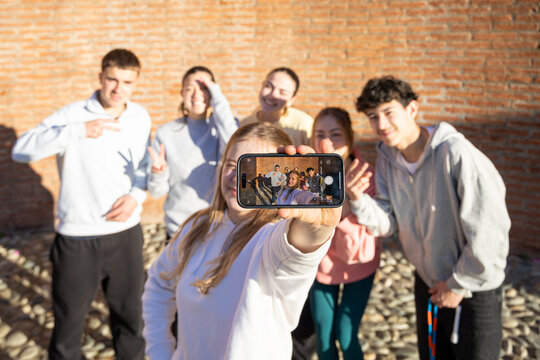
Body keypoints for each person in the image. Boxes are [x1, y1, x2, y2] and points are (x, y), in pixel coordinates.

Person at [141, 122, 341, 360]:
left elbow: (296, 252)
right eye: (231, 165)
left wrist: (317, 227)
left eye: (254, 168)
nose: (238, 176)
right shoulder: (196, 227)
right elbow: (158, 285)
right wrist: (161, 351)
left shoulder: (271, 237)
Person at [353, 76, 510, 360]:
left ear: (412, 110)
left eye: (389, 113)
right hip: (427, 283)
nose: (381, 125)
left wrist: (457, 284)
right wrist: (356, 199)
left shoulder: (456, 153)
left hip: (474, 291)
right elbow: (388, 223)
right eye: (373, 117)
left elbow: (491, 230)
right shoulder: (387, 157)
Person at [11, 49, 150, 359]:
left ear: (135, 83)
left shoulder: (140, 117)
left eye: (127, 82)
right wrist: (78, 131)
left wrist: (136, 197)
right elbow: (21, 150)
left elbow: (142, 168)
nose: (118, 89)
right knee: (68, 329)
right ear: (100, 77)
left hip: (126, 234)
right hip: (77, 240)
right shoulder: (73, 114)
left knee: (131, 322)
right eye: (112, 79)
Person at [310, 107, 381, 360]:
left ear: (350, 138)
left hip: (359, 265)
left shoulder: (365, 175)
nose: (327, 142)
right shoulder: (307, 174)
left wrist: (348, 205)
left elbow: (372, 229)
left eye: (336, 134)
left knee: (346, 331)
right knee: (324, 334)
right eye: (319, 134)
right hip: (321, 266)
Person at [147, 66, 238, 239]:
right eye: (190, 89)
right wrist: (158, 174)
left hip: (217, 231)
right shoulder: (166, 133)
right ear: (182, 94)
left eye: (204, 88)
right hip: (179, 232)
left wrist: (217, 96)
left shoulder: (222, 128)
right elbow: (157, 192)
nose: (197, 94)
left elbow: (235, 144)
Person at [241, 67, 313, 146]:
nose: (272, 95)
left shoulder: (304, 125)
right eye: (268, 86)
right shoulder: (243, 125)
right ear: (262, 85)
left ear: (291, 100)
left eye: (282, 92)